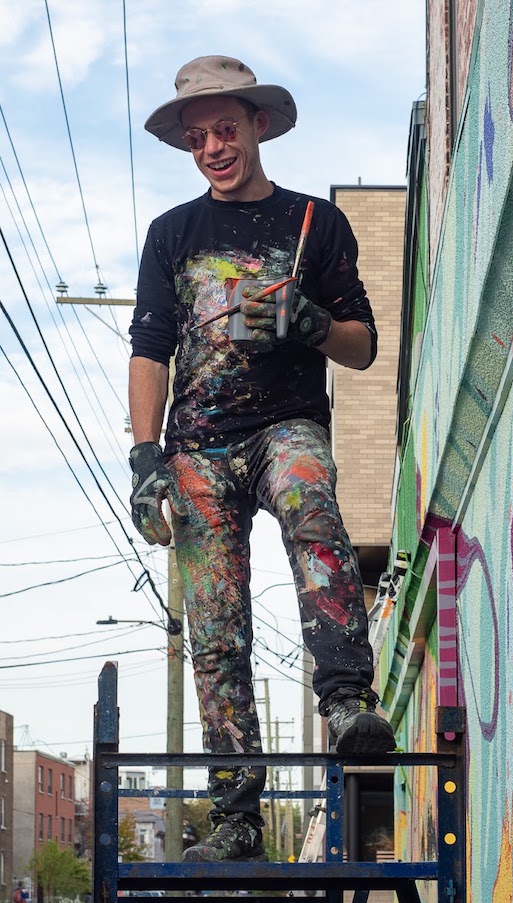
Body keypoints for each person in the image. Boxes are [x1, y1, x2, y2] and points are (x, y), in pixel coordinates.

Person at [128, 55, 396, 864]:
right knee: (214, 623)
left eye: (226, 128)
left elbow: (363, 346)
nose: (213, 145)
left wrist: (308, 319)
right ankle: (237, 815)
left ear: (258, 126)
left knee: (313, 510)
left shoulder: (316, 223)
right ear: (188, 144)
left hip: (286, 425)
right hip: (198, 444)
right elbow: (148, 348)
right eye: (198, 134)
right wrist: (145, 457)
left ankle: (348, 703)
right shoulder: (171, 235)